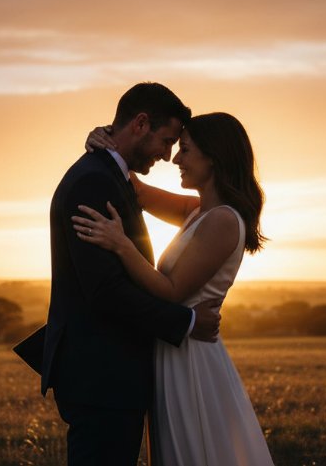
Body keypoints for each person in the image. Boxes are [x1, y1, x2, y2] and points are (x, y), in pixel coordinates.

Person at [75, 112, 275, 466]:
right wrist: (105, 139)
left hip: (191, 359)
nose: (175, 159)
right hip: (174, 349)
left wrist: (121, 244)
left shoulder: (224, 221)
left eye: (185, 150)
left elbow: (169, 290)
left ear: (213, 157)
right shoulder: (198, 211)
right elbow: (134, 188)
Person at [41, 82, 223, 466]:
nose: (169, 155)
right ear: (141, 123)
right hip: (101, 376)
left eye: (181, 147)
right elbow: (105, 291)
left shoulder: (112, 176)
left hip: (111, 375)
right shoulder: (95, 180)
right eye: (168, 140)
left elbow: (139, 191)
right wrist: (187, 321)